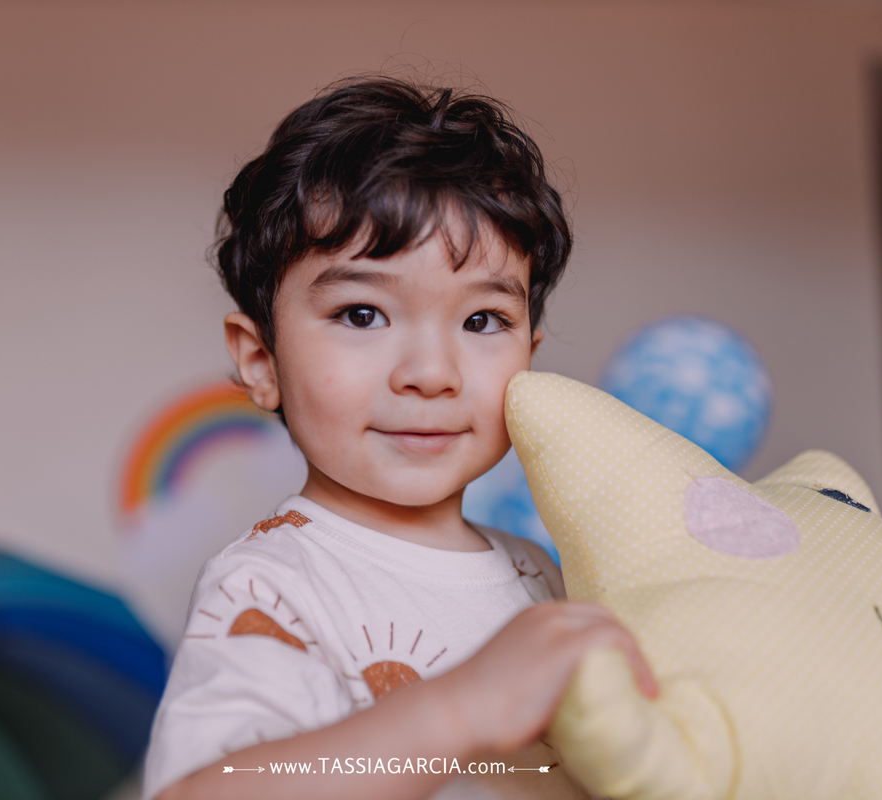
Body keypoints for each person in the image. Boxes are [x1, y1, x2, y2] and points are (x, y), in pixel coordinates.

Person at [143, 76, 656, 800]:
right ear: (262, 361)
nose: (431, 373)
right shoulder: (273, 585)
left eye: (482, 322)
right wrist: (459, 707)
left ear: (528, 359)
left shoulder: (540, 574)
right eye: (361, 314)